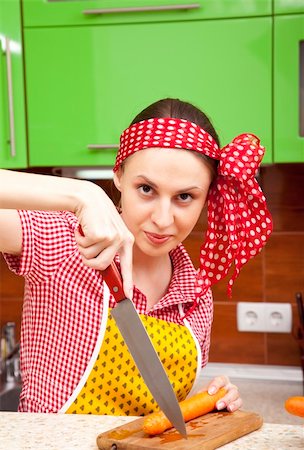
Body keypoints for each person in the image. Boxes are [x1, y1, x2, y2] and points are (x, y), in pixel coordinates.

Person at [0, 98, 272, 415]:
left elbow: (161, 408)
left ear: (207, 197)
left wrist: (211, 401)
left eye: (185, 196)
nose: (163, 218)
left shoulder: (197, 296)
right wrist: (81, 194)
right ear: (118, 175)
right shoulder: (62, 238)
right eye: (146, 189)